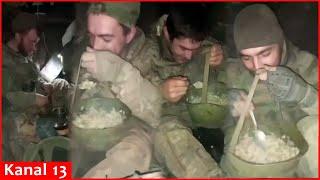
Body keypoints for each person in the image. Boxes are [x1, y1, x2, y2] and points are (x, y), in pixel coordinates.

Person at [76, 3, 223, 178]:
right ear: (167, 34)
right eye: (183, 48)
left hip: (195, 116)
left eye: (195, 49)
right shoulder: (149, 49)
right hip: (160, 125)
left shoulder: (193, 32)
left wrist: (220, 56)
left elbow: (212, 48)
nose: (189, 55)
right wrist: (162, 91)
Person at [218, 4, 318, 177]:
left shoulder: (306, 65)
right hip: (253, 160)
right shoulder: (233, 71)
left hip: (301, 158)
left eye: (265, 54)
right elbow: (213, 120)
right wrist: (227, 103)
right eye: (247, 58)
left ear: (280, 43)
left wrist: (304, 95)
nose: (257, 66)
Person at [2, 12, 69, 161]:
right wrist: (34, 99)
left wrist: (44, 85)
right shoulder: (4, 59)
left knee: (61, 85)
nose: (34, 47)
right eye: (32, 42)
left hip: (37, 106)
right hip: (13, 113)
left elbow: (33, 79)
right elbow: (7, 95)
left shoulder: (25, 57)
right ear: (19, 36)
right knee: (24, 128)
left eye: (36, 42)